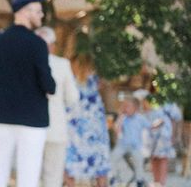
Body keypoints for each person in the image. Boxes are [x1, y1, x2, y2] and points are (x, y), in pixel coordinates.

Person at [0, 0, 56, 187]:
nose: (41, 15)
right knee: (28, 175)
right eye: (38, 11)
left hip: (2, 116)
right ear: (26, 12)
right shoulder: (38, 43)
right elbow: (48, 84)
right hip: (32, 119)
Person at [36, 26, 79, 187]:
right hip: (56, 127)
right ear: (52, 45)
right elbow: (73, 97)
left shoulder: (25, 64)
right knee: (53, 176)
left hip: (31, 127)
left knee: (30, 174)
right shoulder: (62, 64)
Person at [65, 52, 111, 187]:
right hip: (95, 128)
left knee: (70, 162)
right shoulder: (95, 80)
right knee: (99, 163)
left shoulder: (71, 79)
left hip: (76, 126)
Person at [139, 94, 178, 187]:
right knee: (154, 158)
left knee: (163, 158)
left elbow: (174, 119)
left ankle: (161, 184)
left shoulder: (168, 101)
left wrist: (174, 135)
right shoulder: (148, 98)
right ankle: (156, 182)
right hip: (150, 135)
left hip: (163, 135)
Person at [110, 97, 150, 187]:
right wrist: (121, 117)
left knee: (139, 160)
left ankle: (139, 180)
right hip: (123, 145)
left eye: (127, 106)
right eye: (124, 106)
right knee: (112, 158)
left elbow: (150, 127)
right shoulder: (123, 118)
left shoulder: (141, 118)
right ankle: (113, 177)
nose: (125, 108)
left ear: (135, 108)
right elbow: (117, 131)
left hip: (136, 146)